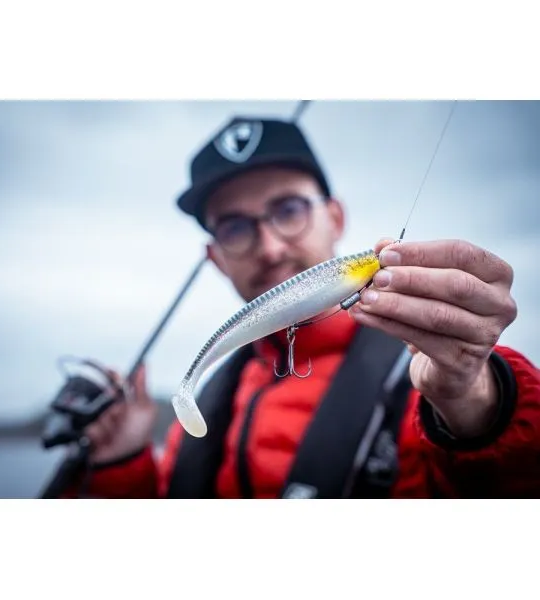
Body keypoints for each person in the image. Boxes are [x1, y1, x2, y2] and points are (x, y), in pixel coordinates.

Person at [62, 114, 540, 499]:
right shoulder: (206, 404)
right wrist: (120, 464)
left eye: (289, 210)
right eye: (234, 227)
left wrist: (476, 398)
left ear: (335, 218)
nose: (270, 247)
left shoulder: (419, 365)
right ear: (215, 258)